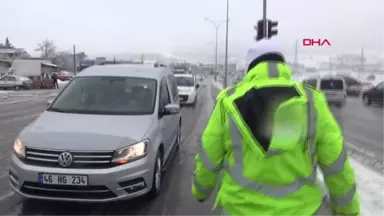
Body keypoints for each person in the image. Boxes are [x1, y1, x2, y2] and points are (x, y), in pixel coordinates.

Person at [191, 27, 360, 215]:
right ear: (282, 64)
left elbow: (209, 155)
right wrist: (347, 209)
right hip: (300, 210)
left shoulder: (228, 101)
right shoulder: (312, 101)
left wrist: (201, 190)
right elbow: (336, 163)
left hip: (240, 210)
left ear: (251, 66)